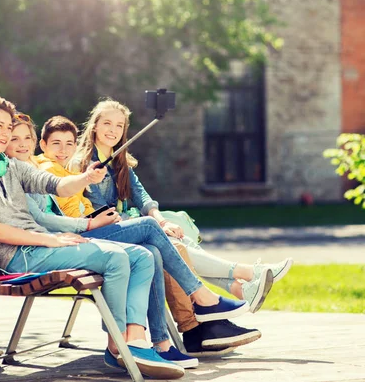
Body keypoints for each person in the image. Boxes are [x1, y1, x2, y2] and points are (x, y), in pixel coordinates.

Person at [0, 97, 250, 379]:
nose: (6, 133)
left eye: (8, 126)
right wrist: (52, 240)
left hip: (44, 245)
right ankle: (118, 346)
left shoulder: (12, 166)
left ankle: (136, 339)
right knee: (117, 256)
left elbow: (57, 185)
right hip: (19, 256)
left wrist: (85, 178)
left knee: (143, 256)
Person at [22, 114, 262, 359]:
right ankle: (203, 305)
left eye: (68, 144)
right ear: (43, 145)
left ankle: (165, 342)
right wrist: (92, 220)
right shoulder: (53, 169)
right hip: (84, 235)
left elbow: (136, 196)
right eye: (56, 144)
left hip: (93, 229)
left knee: (157, 249)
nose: (63, 150)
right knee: (152, 231)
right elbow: (54, 216)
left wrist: (156, 218)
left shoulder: (70, 167)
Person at [71, 99, 294, 343]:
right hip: (105, 233)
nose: (112, 130)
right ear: (94, 126)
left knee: (178, 239)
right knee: (172, 246)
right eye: (107, 123)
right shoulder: (84, 164)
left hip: (128, 227)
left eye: (119, 125)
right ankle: (242, 279)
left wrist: (160, 220)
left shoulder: (118, 159)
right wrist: (150, 223)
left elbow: (141, 195)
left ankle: (234, 292)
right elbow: (100, 212)